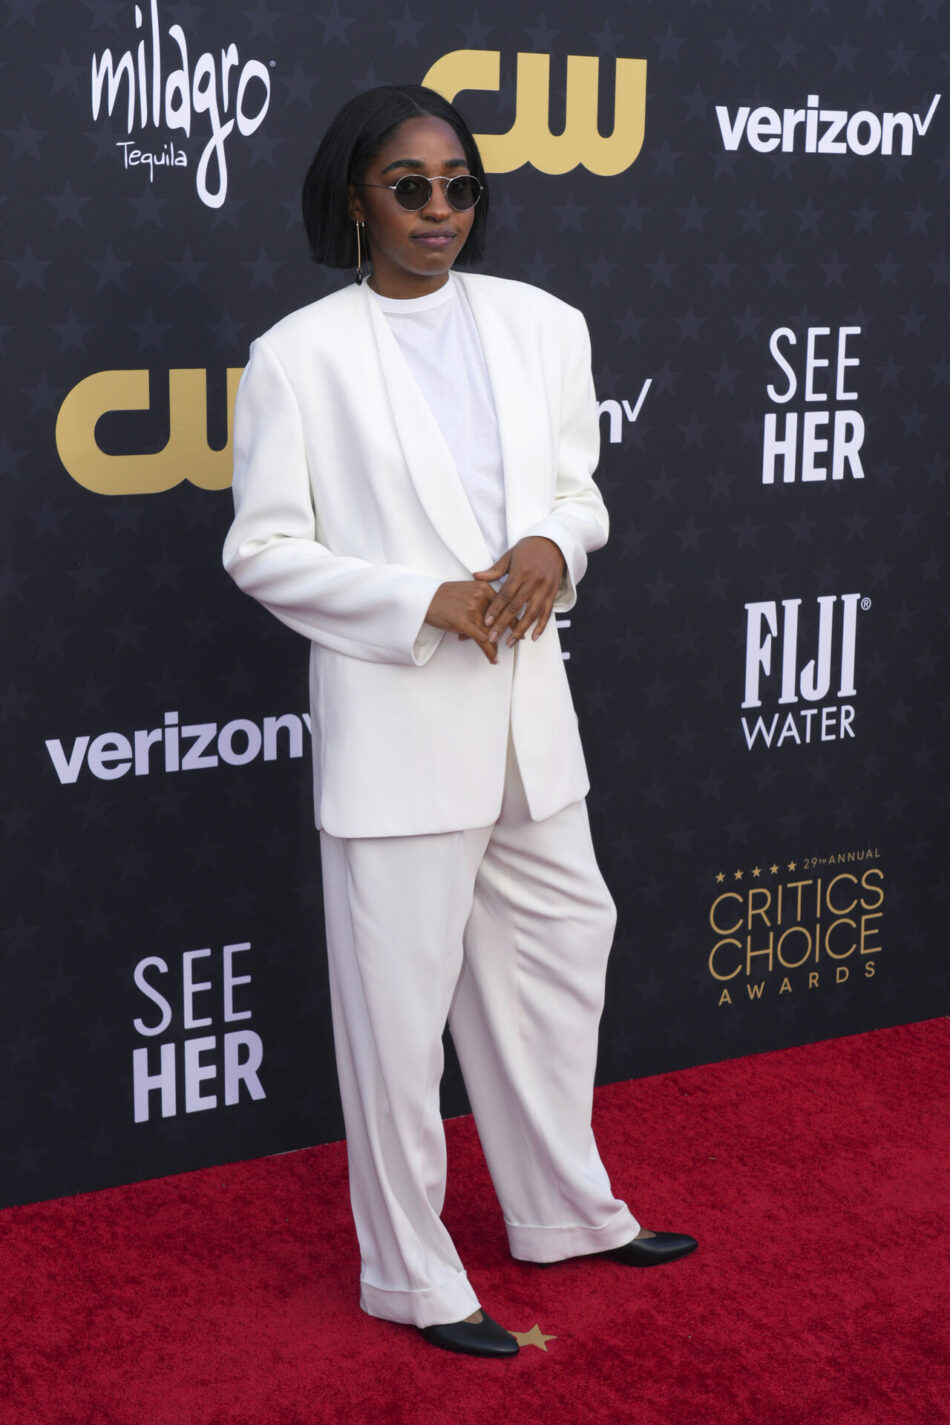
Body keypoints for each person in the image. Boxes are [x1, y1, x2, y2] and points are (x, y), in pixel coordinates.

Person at [223, 83, 696, 1360]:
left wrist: (553, 540)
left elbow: (574, 493)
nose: (439, 210)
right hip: (397, 728)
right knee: (394, 1020)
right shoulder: (298, 357)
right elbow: (261, 550)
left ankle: (563, 1210)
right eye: (408, 186)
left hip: (529, 729)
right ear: (356, 200)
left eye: (459, 186)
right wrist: (414, 598)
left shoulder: (545, 326)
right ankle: (414, 1277)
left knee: (558, 962)